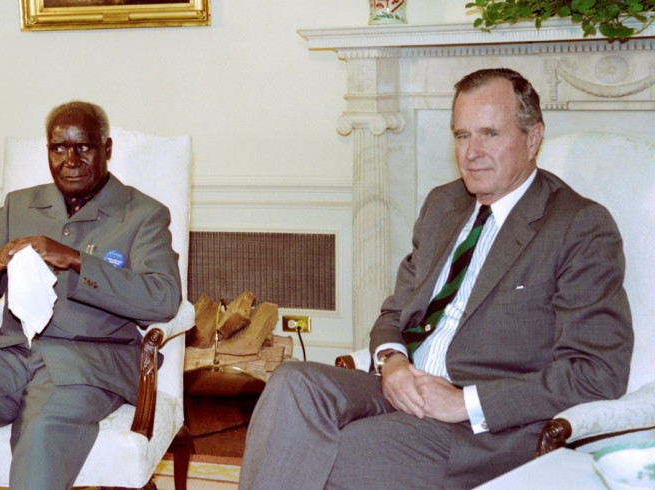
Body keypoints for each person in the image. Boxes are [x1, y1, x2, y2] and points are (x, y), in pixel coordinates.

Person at [239, 68, 634, 489]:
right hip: (402, 387)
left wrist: (463, 403)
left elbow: (597, 371)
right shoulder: (444, 204)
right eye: (462, 135)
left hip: (478, 430)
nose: (472, 153)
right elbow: (395, 311)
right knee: (292, 383)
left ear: (533, 138)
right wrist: (391, 363)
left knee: (334, 452)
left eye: (490, 134)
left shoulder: (578, 225)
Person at [0, 101, 182, 489]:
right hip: (10, 352)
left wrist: (76, 261)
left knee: (43, 430)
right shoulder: (19, 206)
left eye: (84, 147)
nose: (70, 160)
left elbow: (162, 298)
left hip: (91, 360)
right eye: (58, 148)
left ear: (106, 149)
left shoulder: (142, 214)